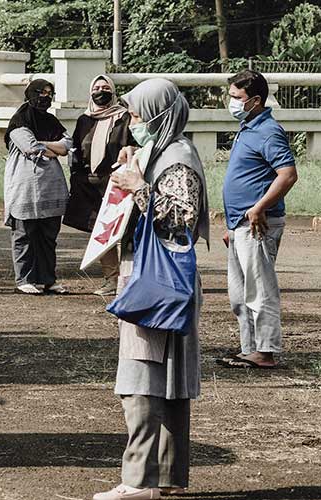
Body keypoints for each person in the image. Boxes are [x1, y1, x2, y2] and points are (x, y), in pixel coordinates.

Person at [92, 79, 209, 500]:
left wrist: (135, 186)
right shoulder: (169, 152)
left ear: (159, 114)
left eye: (139, 114)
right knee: (171, 382)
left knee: (140, 376)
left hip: (155, 284)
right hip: (166, 282)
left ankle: (138, 481)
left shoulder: (176, 159)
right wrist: (138, 168)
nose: (133, 122)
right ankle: (169, 477)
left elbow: (179, 219)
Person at [218, 70, 297, 370]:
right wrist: (232, 223)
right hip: (241, 224)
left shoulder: (268, 130)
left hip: (258, 224)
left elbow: (287, 175)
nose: (232, 103)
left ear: (255, 100)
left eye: (237, 98)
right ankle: (250, 348)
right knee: (240, 294)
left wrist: (259, 207)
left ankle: (265, 351)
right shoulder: (247, 126)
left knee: (260, 289)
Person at [64, 75, 135, 296]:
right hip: (91, 185)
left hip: (117, 183)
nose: (101, 91)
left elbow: (135, 144)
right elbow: (76, 150)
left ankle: (132, 279)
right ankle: (111, 279)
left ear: (113, 92)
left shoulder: (124, 117)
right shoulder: (84, 119)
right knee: (102, 231)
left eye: (106, 88)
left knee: (126, 232)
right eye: (96, 87)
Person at [3, 79, 71, 295]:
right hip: (24, 189)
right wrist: (54, 147)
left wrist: (49, 146)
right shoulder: (18, 123)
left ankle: (48, 280)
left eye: (49, 93)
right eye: (40, 92)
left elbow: (67, 145)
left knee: (48, 237)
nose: (45, 97)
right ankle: (24, 279)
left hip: (51, 188)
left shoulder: (52, 121)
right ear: (30, 94)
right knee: (24, 235)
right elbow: (30, 147)